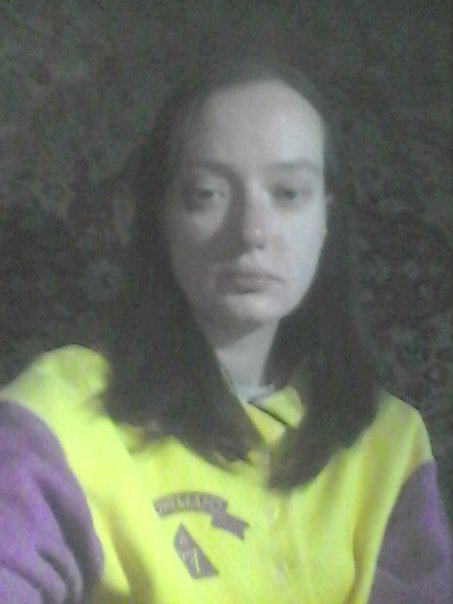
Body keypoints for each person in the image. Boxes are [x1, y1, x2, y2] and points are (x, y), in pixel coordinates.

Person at [0, 55, 451, 604]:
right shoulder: (60, 411)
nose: (251, 231)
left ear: (326, 221)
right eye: (207, 194)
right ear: (161, 218)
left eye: (288, 193)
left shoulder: (389, 441)